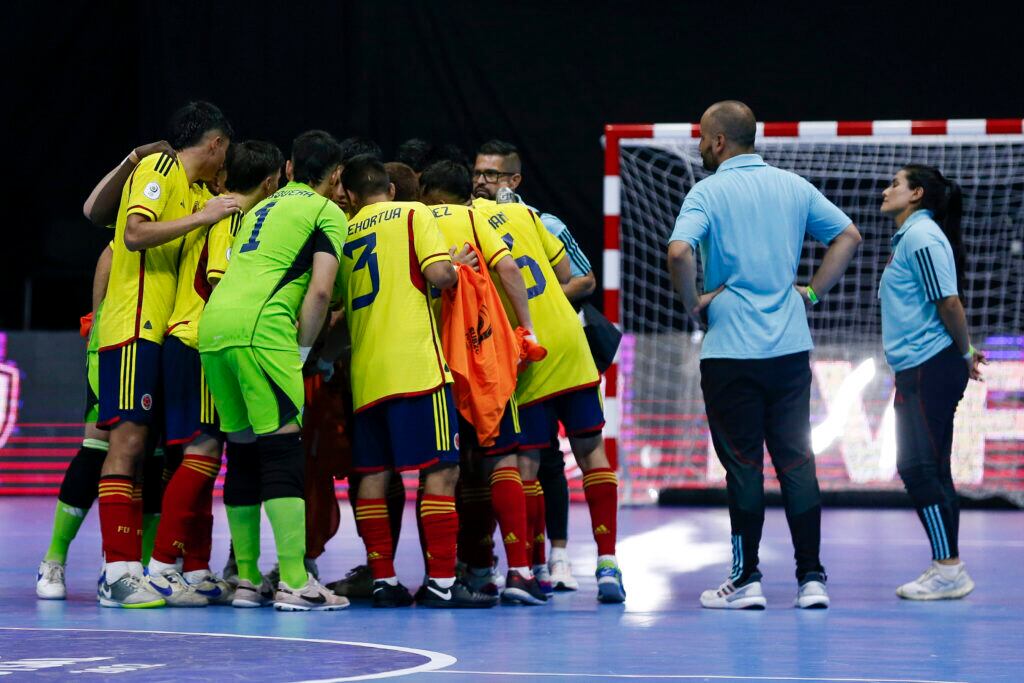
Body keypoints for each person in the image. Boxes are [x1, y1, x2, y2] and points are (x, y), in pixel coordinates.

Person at [667, 100, 862, 610]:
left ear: (717, 142)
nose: (699, 146)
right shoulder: (792, 186)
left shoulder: (707, 191)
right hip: (790, 347)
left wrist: (693, 305)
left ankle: (746, 579)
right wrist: (812, 293)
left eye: (701, 137)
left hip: (730, 351)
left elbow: (679, 251)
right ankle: (812, 579)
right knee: (798, 462)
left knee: (744, 467)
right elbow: (848, 236)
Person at [335, 155, 496, 608]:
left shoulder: (344, 232)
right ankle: (443, 583)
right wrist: (456, 265)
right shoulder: (414, 213)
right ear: (389, 187)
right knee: (441, 471)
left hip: (366, 373)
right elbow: (439, 275)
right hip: (419, 367)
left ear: (349, 193)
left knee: (373, 475)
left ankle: (383, 580)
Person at [198, 130, 349, 612]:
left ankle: (245, 581)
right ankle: (294, 581)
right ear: (337, 176)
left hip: (214, 331)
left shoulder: (259, 207)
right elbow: (321, 292)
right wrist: (302, 351)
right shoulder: (327, 212)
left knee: (241, 455)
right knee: (283, 454)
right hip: (262, 335)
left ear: (286, 169)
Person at [95, 101, 237, 608]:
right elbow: (133, 234)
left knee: (149, 454)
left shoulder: (199, 191)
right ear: (215, 143)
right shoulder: (160, 168)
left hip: (161, 335)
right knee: (127, 445)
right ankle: (116, 570)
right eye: (226, 149)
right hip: (132, 326)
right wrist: (204, 216)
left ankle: (134, 568)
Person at [147, 140, 284, 606]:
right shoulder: (232, 217)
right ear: (270, 182)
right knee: (204, 450)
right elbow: (221, 282)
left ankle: (199, 567)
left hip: (187, 341)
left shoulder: (215, 209)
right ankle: (163, 566)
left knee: (201, 455)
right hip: (199, 342)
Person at [471, 196, 626, 603]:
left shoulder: (464, 223)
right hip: (570, 341)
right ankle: (608, 564)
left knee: (527, 462)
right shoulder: (529, 215)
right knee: (592, 452)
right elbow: (563, 273)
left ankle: (528, 570)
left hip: (526, 350)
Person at [419, 160, 548, 605]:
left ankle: (452, 572)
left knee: (444, 470)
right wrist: (526, 327)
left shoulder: (415, 219)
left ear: (427, 191)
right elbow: (509, 269)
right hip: (483, 356)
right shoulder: (475, 216)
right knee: (501, 459)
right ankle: (519, 570)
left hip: (433, 363)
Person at [473, 140, 596, 591]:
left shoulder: (544, 221)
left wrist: (538, 304)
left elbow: (584, 278)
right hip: (516, 357)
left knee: (555, 461)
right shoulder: (470, 219)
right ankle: (535, 564)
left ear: (514, 180)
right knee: (536, 458)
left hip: (551, 347)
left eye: (492, 174)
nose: (482, 180)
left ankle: (559, 556)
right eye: (478, 173)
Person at [879, 164, 984, 600]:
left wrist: (964, 352)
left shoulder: (921, 237)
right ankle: (946, 566)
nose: (886, 191)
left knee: (917, 467)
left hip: (930, 365)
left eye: (895, 185)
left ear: (917, 194)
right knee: (934, 469)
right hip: (925, 365)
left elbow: (949, 301)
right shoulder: (914, 237)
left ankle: (949, 567)